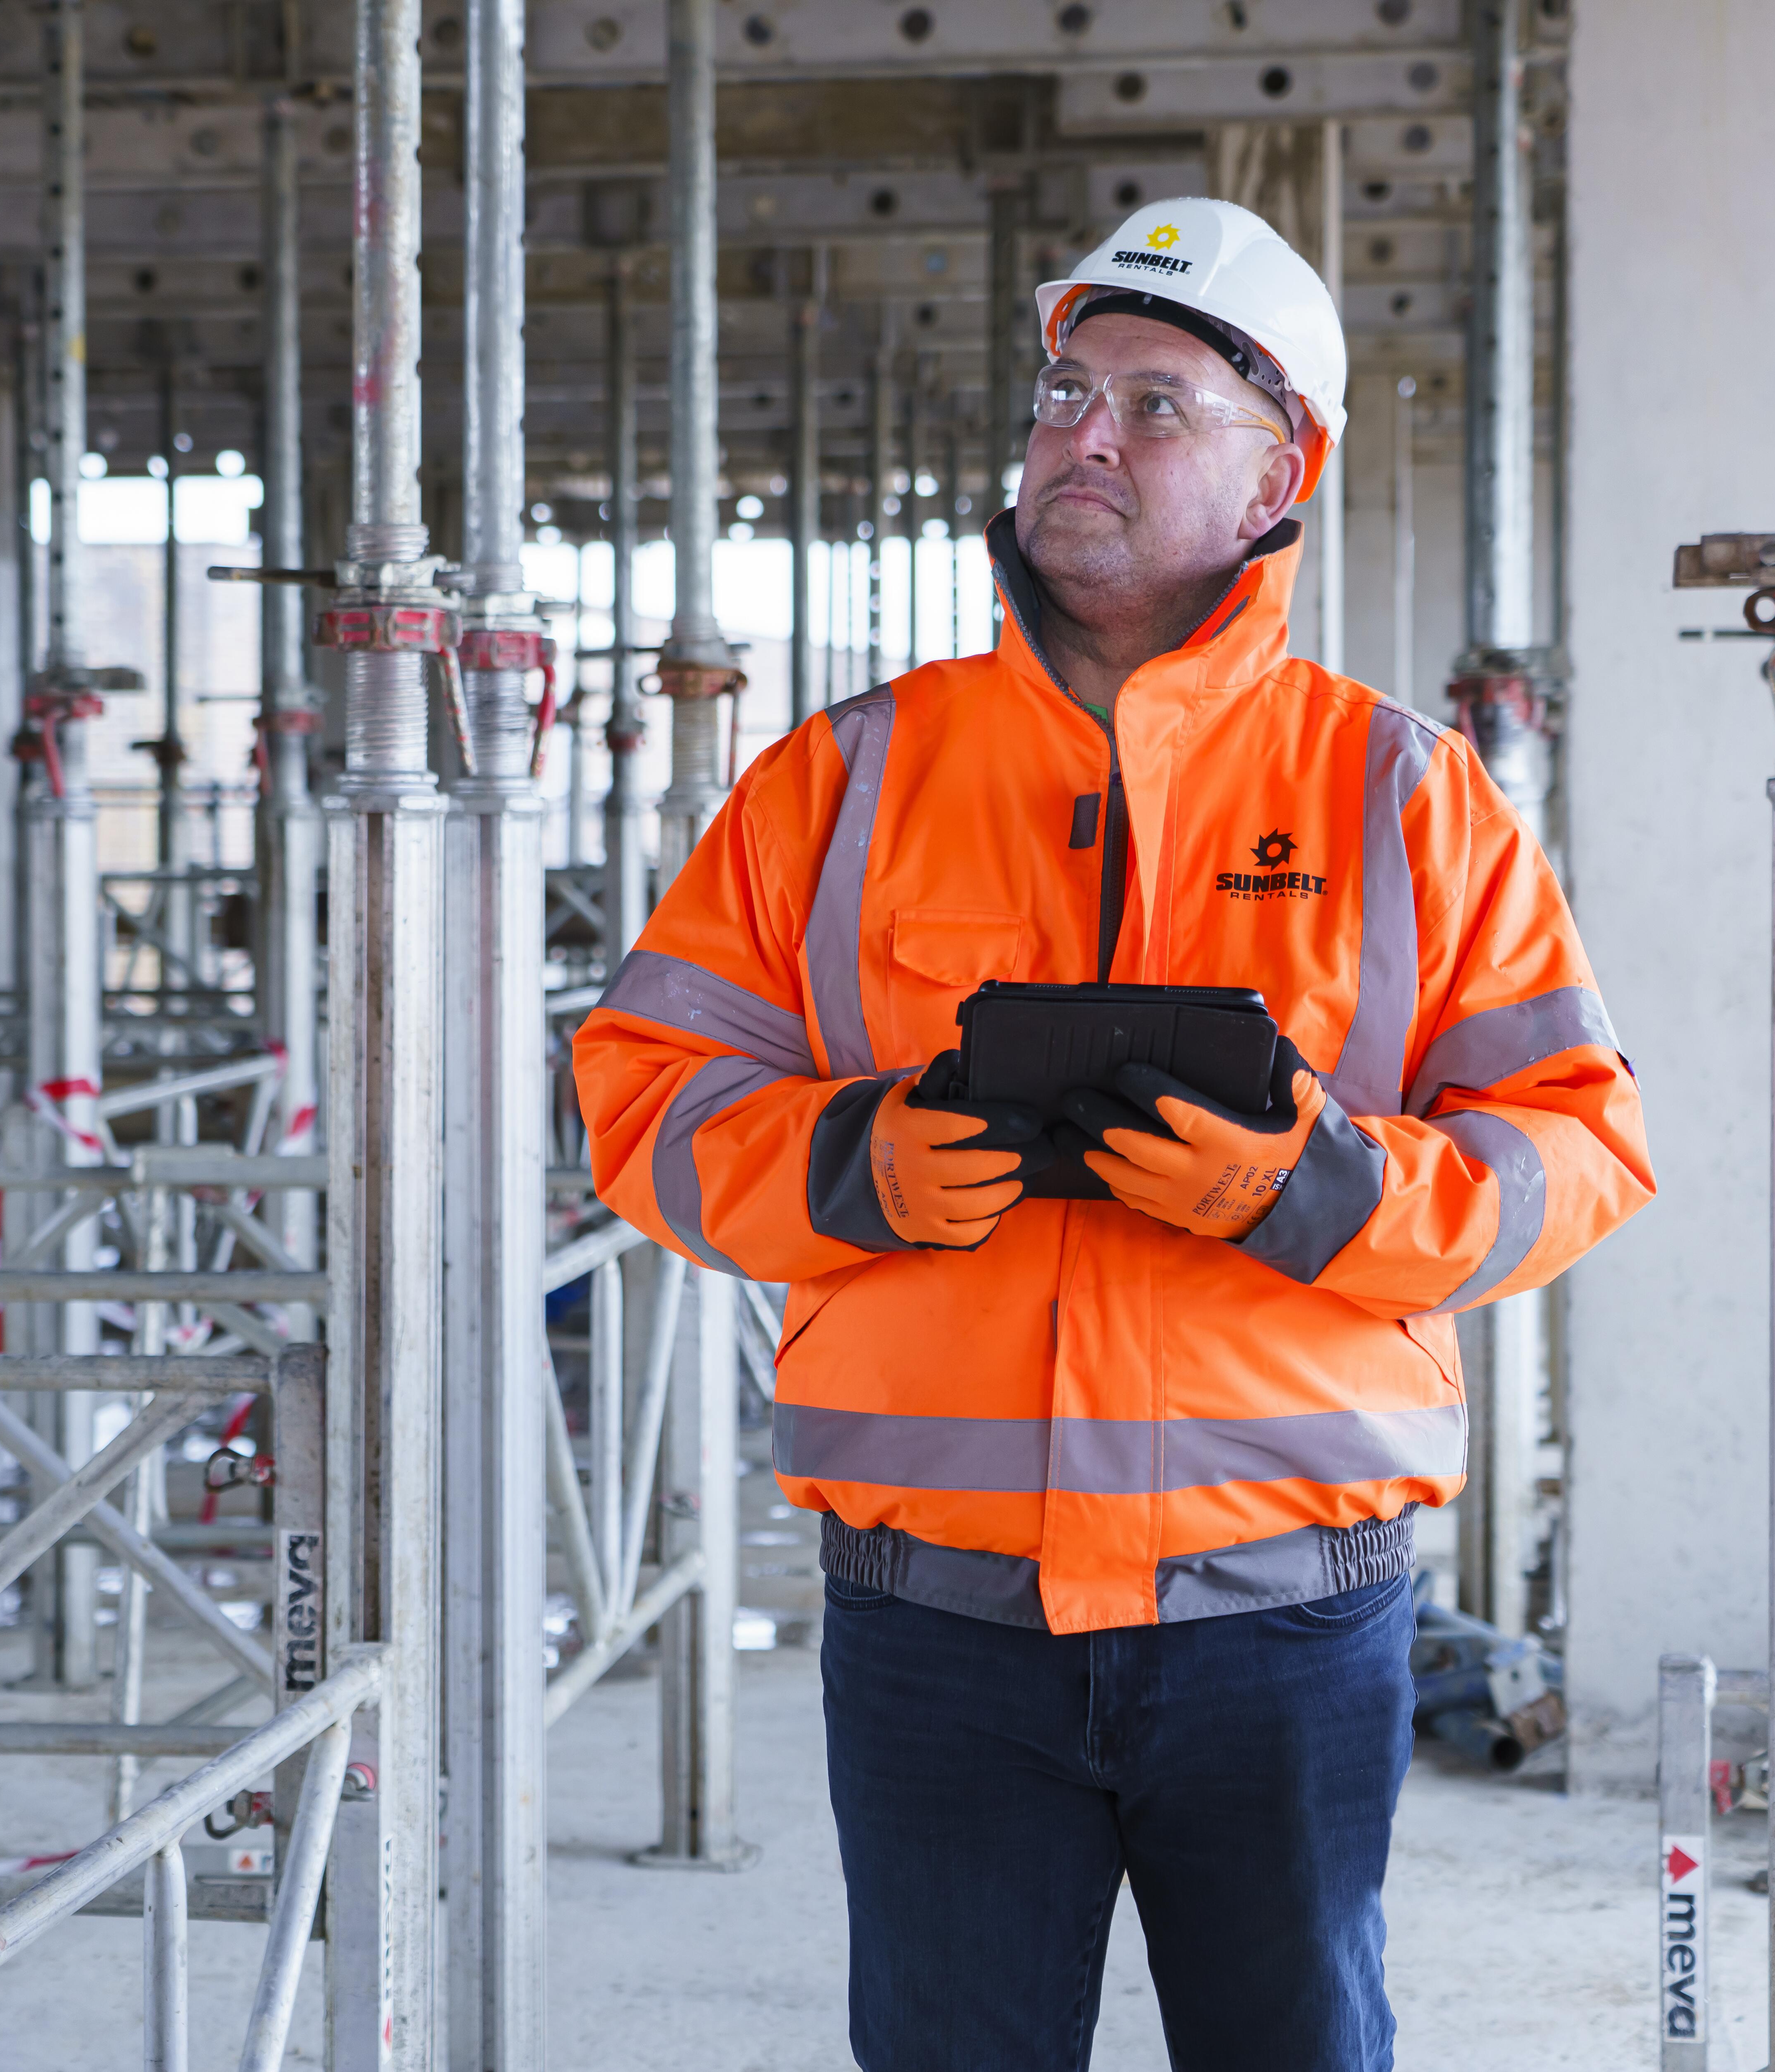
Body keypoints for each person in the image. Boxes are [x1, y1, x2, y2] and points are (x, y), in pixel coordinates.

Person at [571, 196, 1654, 2072]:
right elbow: (644, 1096)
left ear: (1276, 472)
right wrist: (851, 1167)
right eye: (1067, 394)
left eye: (1156, 406)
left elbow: (1579, 1151)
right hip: (937, 1627)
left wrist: (1312, 1192)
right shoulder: (846, 779)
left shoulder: (1403, 794)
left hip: (1289, 1623)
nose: (1084, 437)